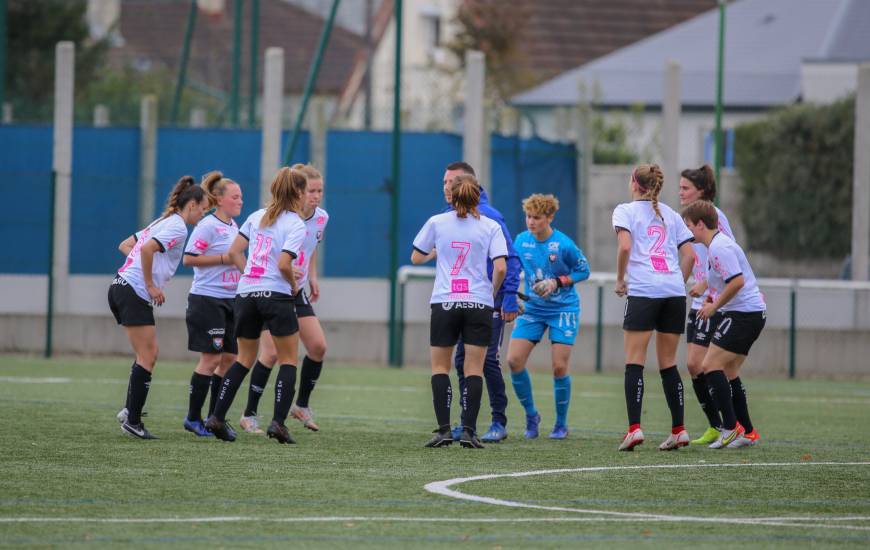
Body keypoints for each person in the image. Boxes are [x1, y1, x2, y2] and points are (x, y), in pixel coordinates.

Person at [204, 167, 308, 444]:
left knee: (244, 359)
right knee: (288, 360)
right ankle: (278, 423)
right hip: (275, 295)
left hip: (247, 293)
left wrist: (251, 273)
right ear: (298, 192)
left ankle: (216, 416)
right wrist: (294, 285)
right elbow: (285, 264)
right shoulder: (296, 224)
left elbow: (234, 251)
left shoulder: (255, 216)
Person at [412, 173, 508, 449]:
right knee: (474, 367)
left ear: (451, 196)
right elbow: (501, 266)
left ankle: (443, 431)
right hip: (478, 303)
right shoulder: (490, 226)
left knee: (440, 367)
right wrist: (492, 290)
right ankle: (468, 430)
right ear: (478, 196)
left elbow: (416, 256)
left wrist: (438, 252)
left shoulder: (437, 222)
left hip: (445, 302)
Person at [110, 176, 209, 439]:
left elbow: (127, 245)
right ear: (191, 205)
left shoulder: (163, 221)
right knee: (149, 354)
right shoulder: (177, 227)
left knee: (146, 354)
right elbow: (146, 250)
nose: (203, 214)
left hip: (122, 286)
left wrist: (142, 273)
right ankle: (132, 421)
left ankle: (130, 411)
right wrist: (151, 283)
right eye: (203, 208)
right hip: (133, 290)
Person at [239, 164, 329, 434]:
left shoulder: (321, 218)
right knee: (272, 353)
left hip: (296, 290)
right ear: (299, 191)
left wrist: (311, 275)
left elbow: (310, 248)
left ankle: (301, 405)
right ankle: (249, 414)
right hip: (275, 289)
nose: (315, 196)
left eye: (320, 190)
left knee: (318, 347)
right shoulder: (281, 216)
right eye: (311, 190)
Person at [612, 164, 696, 451]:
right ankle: (679, 429)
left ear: (635, 183)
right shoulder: (670, 214)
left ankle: (634, 429)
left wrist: (621, 279)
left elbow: (624, 247)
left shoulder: (625, 210)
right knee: (669, 363)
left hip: (645, 290)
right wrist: (675, 283)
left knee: (635, 361)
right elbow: (690, 255)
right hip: (673, 292)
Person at [441, 162, 520, 444]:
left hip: (489, 300)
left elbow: (509, 260)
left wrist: (507, 296)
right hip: (459, 298)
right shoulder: (447, 217)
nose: (447, 188)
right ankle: (467, 421)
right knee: (462, 360)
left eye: (451, 182)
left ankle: (499, 420)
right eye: (445, 182)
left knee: (487, 359)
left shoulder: (488, 216)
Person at [682, 200, 766, 449]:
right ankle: (747, 432)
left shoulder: (719, 247)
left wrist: (713, 306)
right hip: (749, 314)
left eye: (688, 226)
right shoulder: (714, 246)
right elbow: (724, 278)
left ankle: (729, 428)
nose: (687, 233)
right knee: (729, 372)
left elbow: (738, 282)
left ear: (700, 225)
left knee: (709, 365)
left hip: (744, 315)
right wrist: (707, 291)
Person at [507, 194, 590, 439]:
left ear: (550, 217)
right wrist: (510, 296)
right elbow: (512, 269)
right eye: (528, 217)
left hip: (563, 309)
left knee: (559, 366)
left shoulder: (563, 244)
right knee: (513, 360)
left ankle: (561, 424)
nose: (531, 222)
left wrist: (557, 282)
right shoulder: (521, 241)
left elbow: (583, 270)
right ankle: (532, 415)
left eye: (537, 218)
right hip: (533, 308)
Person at [180, 171, 244, 437]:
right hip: (208, 299)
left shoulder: (233, 227)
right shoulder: (208, 225)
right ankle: (193, 418)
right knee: (211, 358)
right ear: (219, 199)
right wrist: (223, 259)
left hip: (230, 300)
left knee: (229, 357)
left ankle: (214, 417)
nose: (241, 201)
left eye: (241, 197)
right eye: (235, 197)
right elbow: (189, 258)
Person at [678, 165, 736, 445]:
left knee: (709, 364)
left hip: (715, 301)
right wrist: (679, 283)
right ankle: (717, 425)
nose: (680, 192)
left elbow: (728, 253)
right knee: (693, 365)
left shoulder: (715, 218)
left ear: (701, 191)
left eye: (685, 188)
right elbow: (689, 256)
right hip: (699, 300)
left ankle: (733, 425)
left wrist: (710, 288)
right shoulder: (686, 220)